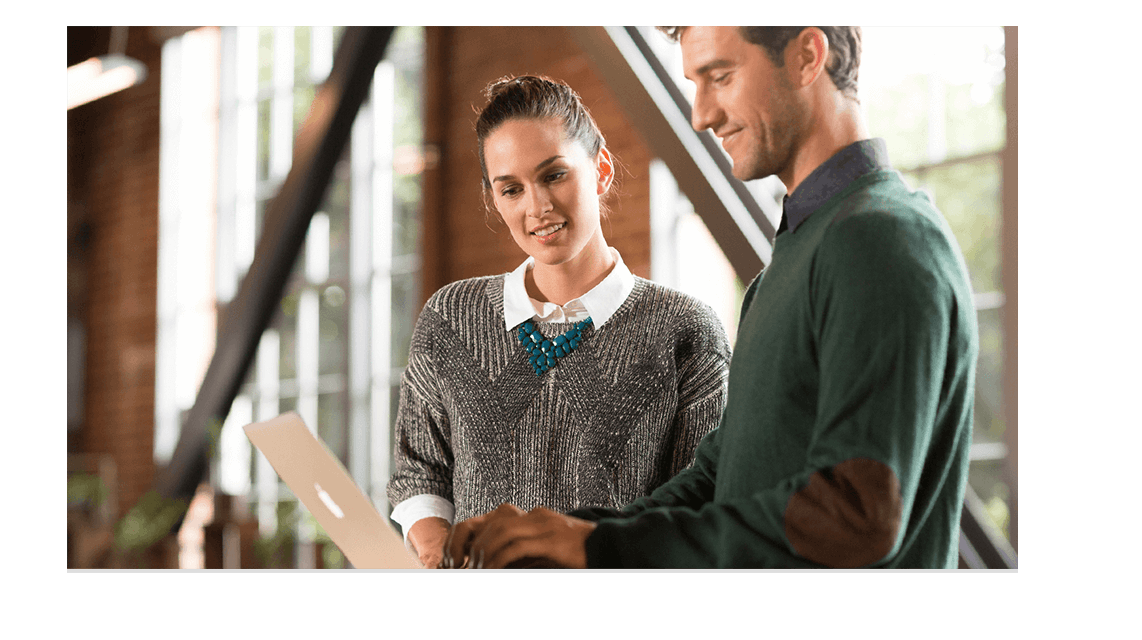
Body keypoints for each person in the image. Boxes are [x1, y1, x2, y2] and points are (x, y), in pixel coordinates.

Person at [444, 26, 979, 569]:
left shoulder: (878, 240)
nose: (702, 115)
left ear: (806, 56)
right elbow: (718, 477)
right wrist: (570, 536)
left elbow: (856, 515)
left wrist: (599, 546)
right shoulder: (793, 260)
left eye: (720, 77)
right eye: (695, 84)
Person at [387, 74, 732, 569]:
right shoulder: (451, 317)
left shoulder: (685, 330)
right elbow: (420, 474)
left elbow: (699, 508)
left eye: (554, 176)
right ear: (494, 199)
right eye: (511, 189)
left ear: (601, 169)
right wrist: (435, 551)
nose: (538, 207)